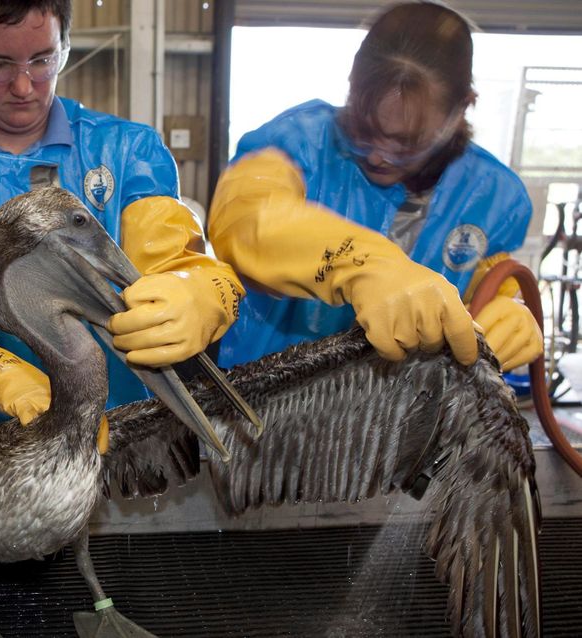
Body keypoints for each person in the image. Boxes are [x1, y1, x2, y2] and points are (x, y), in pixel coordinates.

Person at [0, 0, 243, 440]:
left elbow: (170, 258)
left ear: (66, 44)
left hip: (122, 437)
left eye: (43, 59)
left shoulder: (129, 152)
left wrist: (195, 290)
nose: (23, 85)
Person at [207, 2, 543, 374]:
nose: (379, 156)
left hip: (405, 415)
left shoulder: (495, 197)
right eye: (363, 131)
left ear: (460, 110)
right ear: (352, 86)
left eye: (407, 143)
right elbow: (247, 220)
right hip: (264, 400)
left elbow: (489, 287)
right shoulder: (294, 143)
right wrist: (362, 264)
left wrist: (508, 311)